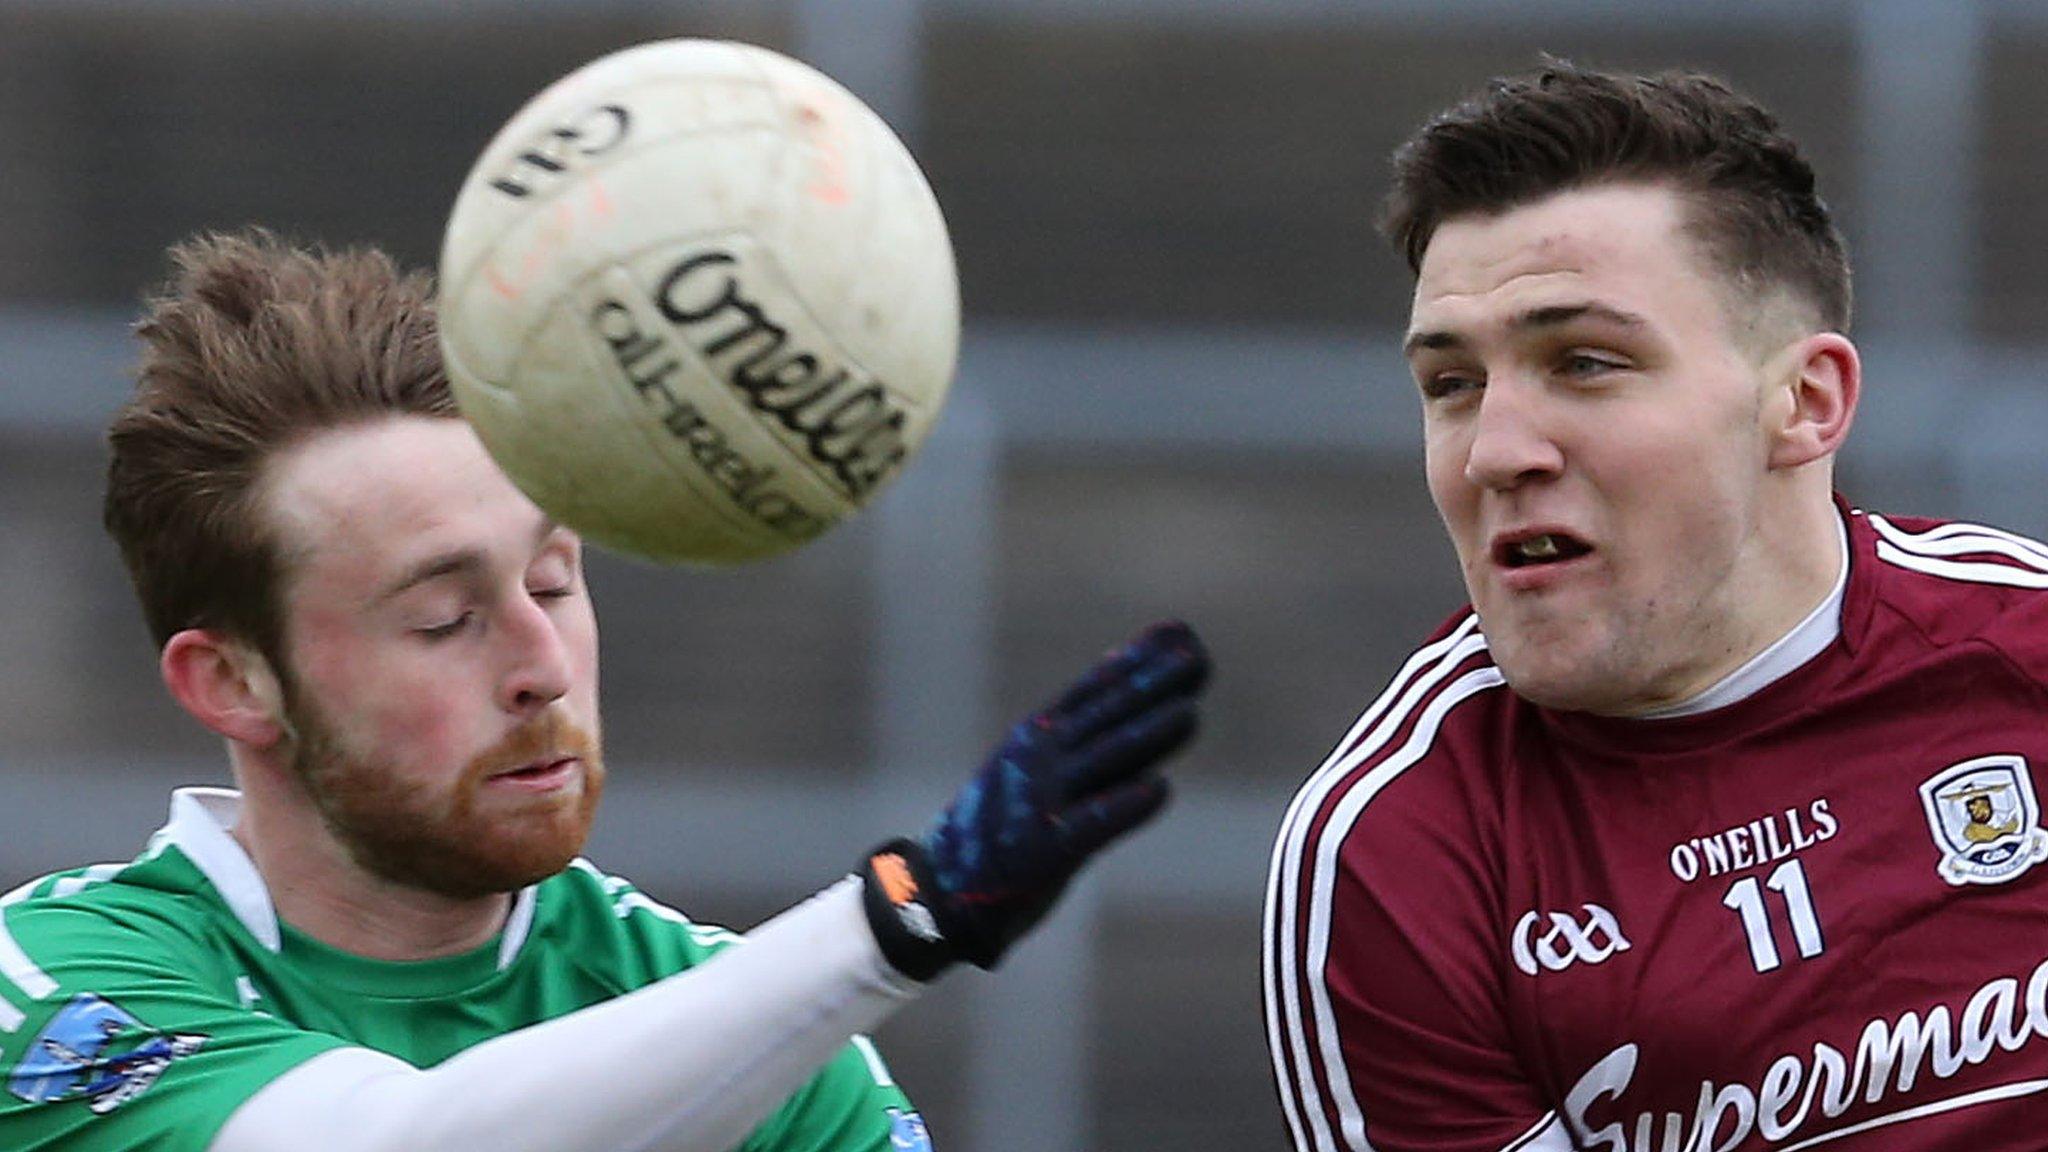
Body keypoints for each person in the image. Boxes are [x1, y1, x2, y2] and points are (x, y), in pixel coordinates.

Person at [0, 229, 1210, 1152]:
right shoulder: (50, 985)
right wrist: (892, 923)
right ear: (233, 682)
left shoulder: (738, 1022)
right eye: (443, 617)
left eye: (555, 581)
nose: (540, 665)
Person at [1263, 61, 2048, 1152]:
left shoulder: (2025, 657)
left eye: (1583, 363)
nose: (1494, 451)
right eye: (1451, 385)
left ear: (1802, 405)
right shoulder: (1396, 852)